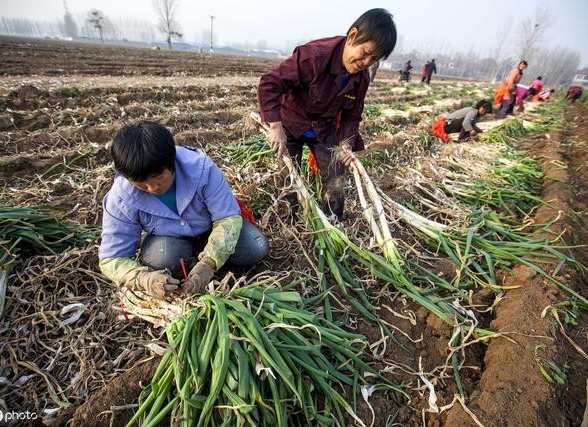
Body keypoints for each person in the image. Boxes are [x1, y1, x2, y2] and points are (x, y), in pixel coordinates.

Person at [98, 121, 269, 299]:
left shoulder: (202, 169)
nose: (152, 188)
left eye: (157, 177)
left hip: (210, 229)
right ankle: (184, 262)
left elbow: (227, 219)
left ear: (171, 162)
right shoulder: (120, 197)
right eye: (140, 183)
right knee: (163, 259)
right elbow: (112, 258)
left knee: (255, 246)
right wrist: (144, 279)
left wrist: (209, 263)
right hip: (169, 241)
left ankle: (204, 261)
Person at [257, 8, 397, 221]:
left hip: (323, 128)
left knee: (336, 177)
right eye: (366, 52)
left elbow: (352, 115)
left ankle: (333, 222)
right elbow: (269, 83)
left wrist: (346, 145)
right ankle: (289, 223)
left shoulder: (361, 79)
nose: (367, 62)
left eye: (374, 58)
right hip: (291, 123)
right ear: (352, 37)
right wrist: (275, 127)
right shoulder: (314, 56)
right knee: (288, 176)